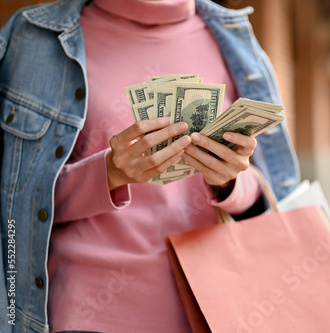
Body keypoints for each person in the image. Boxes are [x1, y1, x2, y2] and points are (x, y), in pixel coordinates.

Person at [0, 0, 299, 332]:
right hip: (87, 312)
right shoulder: (34, 36)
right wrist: (109, 174)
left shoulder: (234, 39)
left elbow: (267, 199)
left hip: (216, 308)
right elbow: (15, 202)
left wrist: (230, 182)